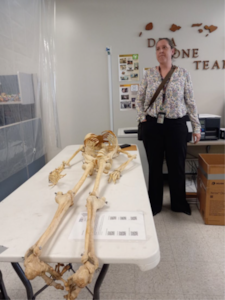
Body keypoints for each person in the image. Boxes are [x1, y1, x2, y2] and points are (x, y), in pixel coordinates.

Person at [136, 38, 201, 216]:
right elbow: (139, 100)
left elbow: (191, 102)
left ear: (173, 51)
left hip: (176, 126)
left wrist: (197, 127)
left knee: (177, 166)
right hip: (153, 126)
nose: (161, 51)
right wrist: (142, 118)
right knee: (155, 167)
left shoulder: (183, 73)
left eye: (164, 47)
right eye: (157, 49)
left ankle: (178, 203)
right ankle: (154, 205)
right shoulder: (149, 74)